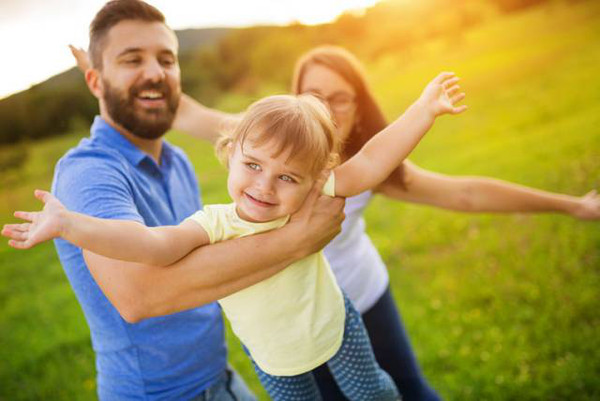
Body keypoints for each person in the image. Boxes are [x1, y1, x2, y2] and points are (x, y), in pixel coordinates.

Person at [153, 45, 600, 400]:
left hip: (359, 302)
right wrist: (114, 66)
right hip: (283, 329)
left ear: (360, 106)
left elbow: (466, 192)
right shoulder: (266, 140)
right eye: (313, 95)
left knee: (406, 393)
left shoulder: (358, 170)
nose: (324, 106)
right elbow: (187, 112)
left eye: (339, 97)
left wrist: (572, 205)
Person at [3, 68, 467, 399]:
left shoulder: (311, 194)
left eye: (287, 176)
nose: (265, 186)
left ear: (312, 178)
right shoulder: (214, 223)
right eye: (253, 165)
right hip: (273, 358)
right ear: (229, 153)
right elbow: (151, 246)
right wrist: (70, 224)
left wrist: (424, 110)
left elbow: (370, 160)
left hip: (335, 325)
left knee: (372, 395)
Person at [9, 1, 347, 400]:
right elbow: (139, 295)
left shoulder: (177, 160)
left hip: (218, 376)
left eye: (166, 60)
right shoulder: (88, 171)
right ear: (96, 82)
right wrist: (295, 241)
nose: (155, 72)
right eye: (131, 60)